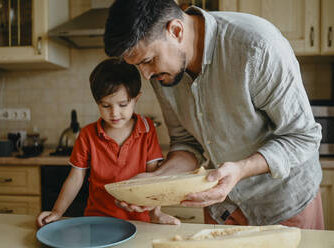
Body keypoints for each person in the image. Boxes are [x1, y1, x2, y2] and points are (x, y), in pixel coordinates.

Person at [103, 0, 324, 229]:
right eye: (139, 65)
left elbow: (303, 137)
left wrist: (240, 170)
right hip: (224, 208)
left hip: (283, 205)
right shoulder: (163, 72)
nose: (146, 75)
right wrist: (154, 182)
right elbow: (187, 144)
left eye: (148, 61)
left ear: (176, 31)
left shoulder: (257, 47)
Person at [36, 58, 177, 227]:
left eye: (123, 104)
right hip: (97, 219)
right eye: (105, 105)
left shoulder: (147, 128)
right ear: (97, 103)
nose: (115, 113)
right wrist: (57, 212)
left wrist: (156, 213)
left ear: (136, 99)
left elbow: (153, 176)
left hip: (139, 221)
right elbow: (75, 178)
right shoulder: (87, 135)